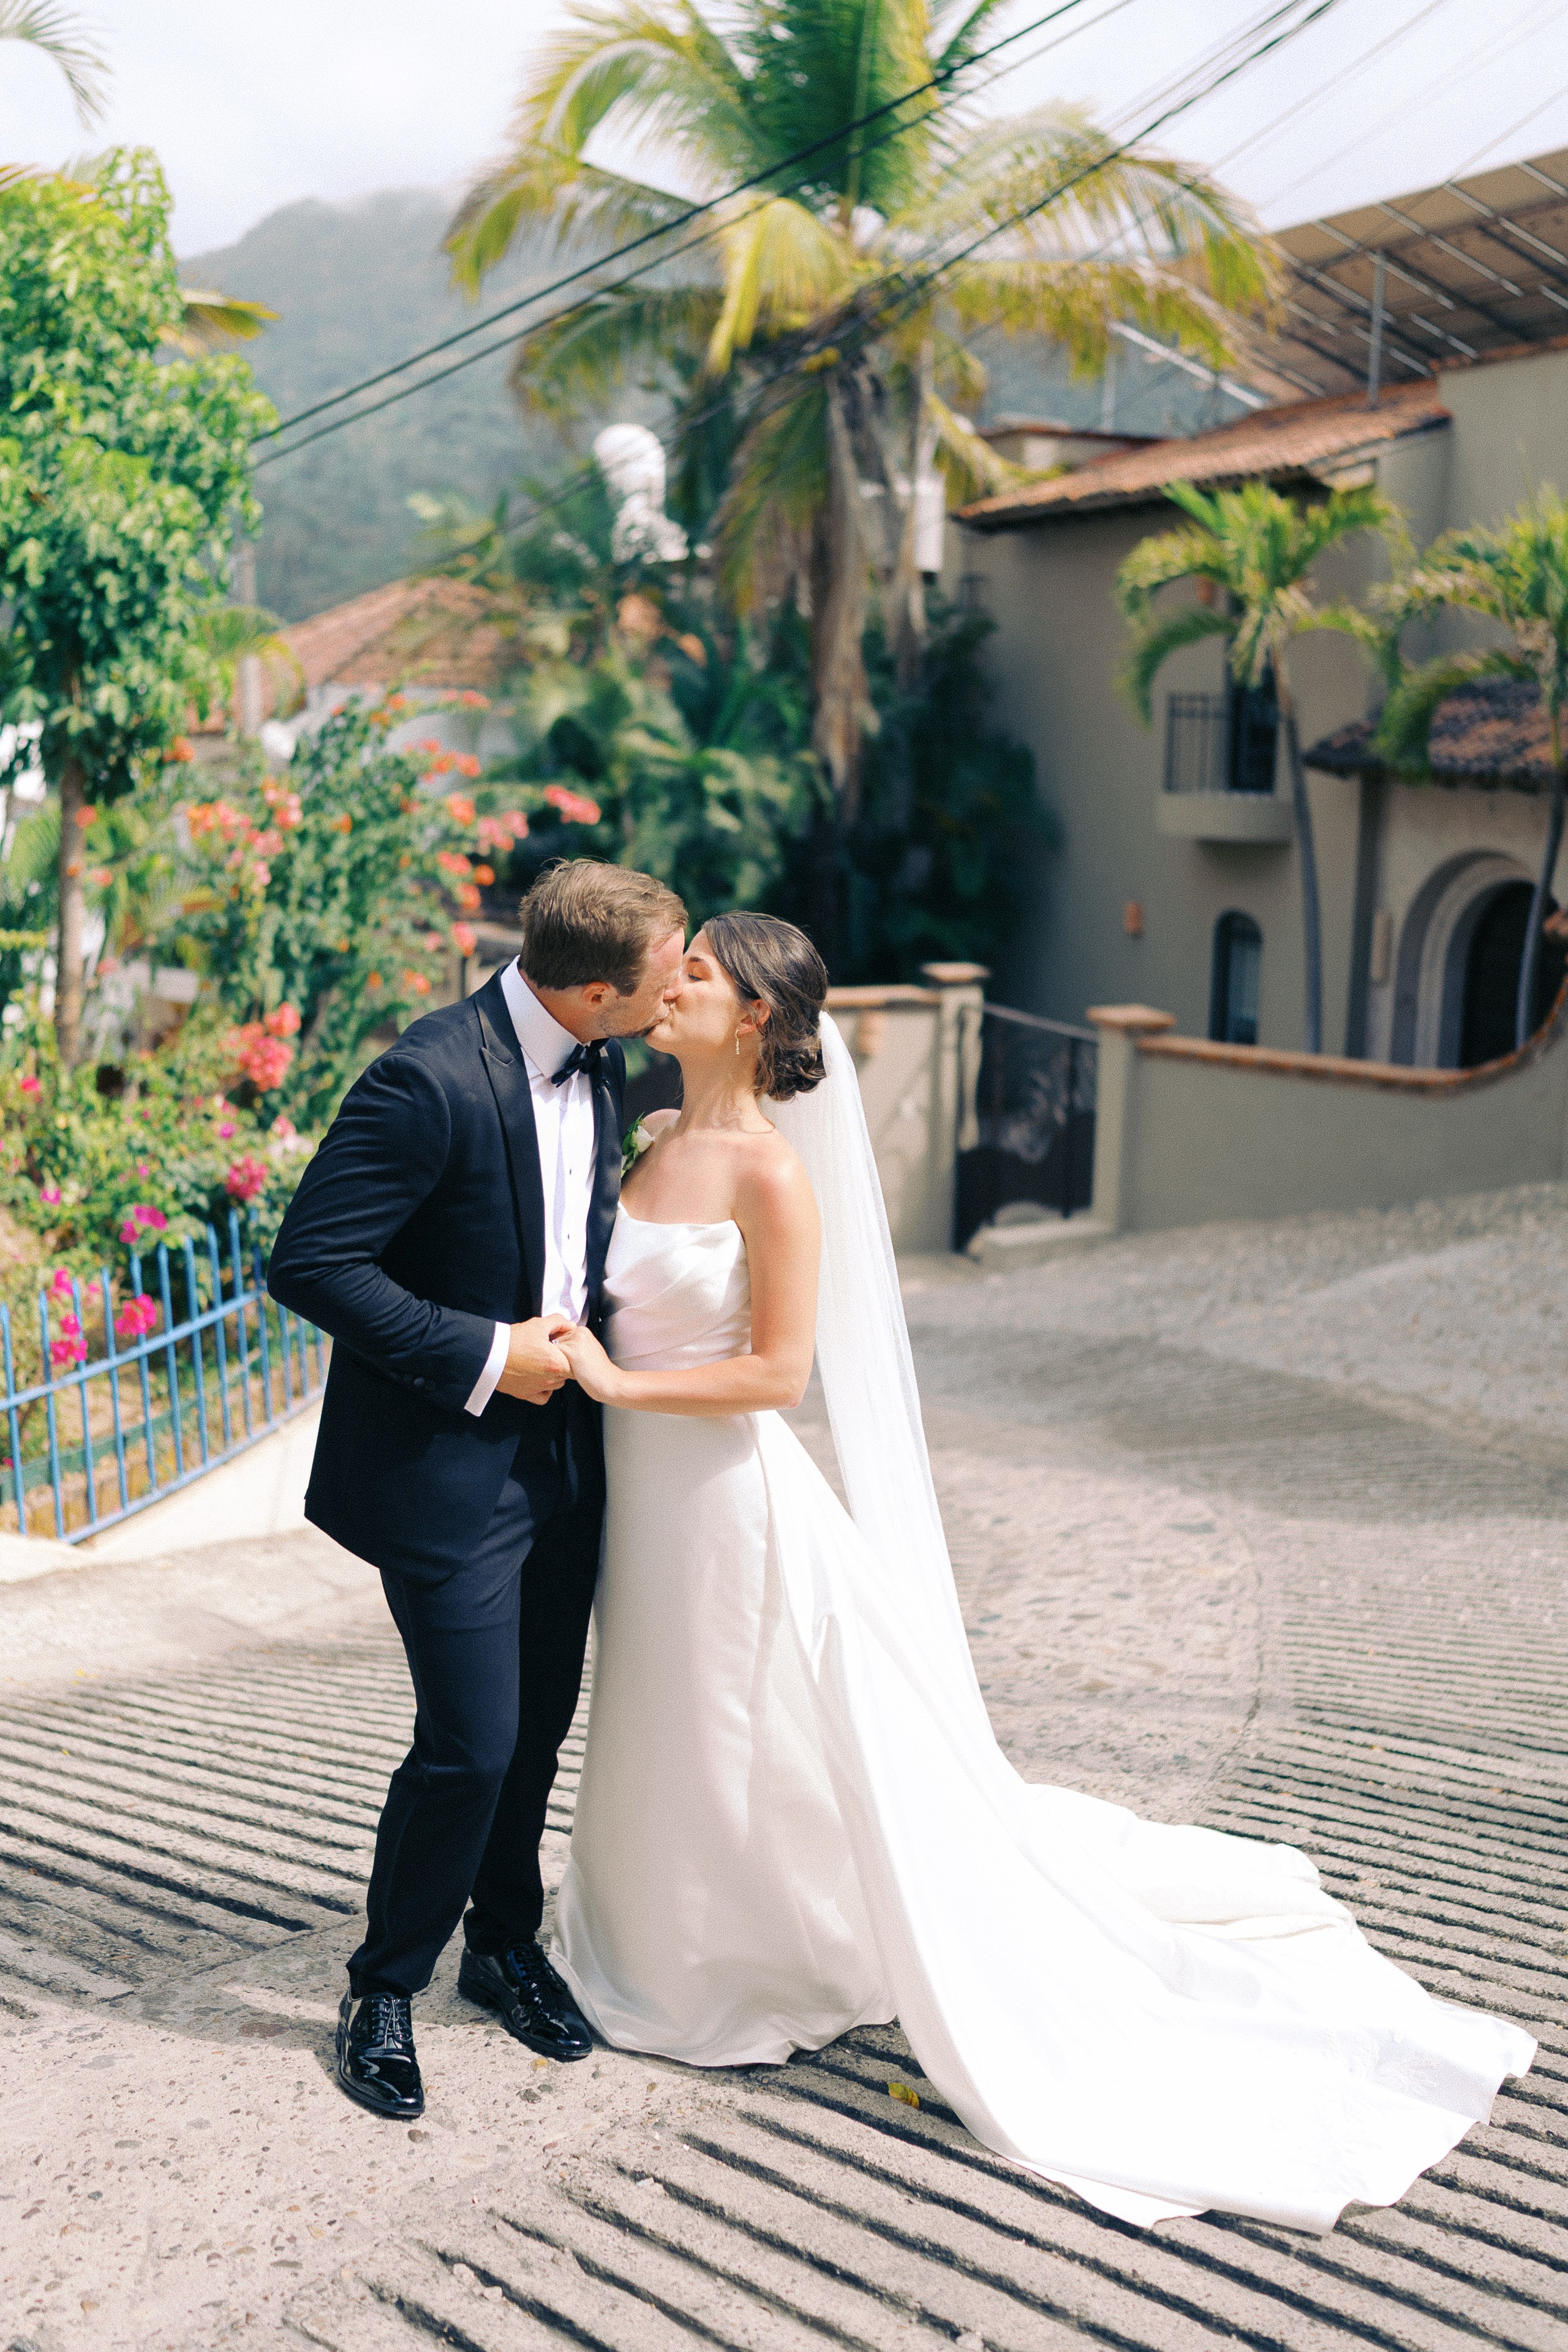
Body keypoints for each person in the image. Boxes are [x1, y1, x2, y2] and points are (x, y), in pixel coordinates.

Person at [549, 910, 1536, 2232]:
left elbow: (779, 1374)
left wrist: (618, 1381)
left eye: (695, 975)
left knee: (719, 1714)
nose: (664, 987)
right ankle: (671, 1928)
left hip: (722, 1493)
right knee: (667, 1713)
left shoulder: (770, 1174)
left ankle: (722, 1965)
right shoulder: (654, 1136)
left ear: (756, 1016)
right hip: (639, 1494)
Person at [266, 859, 685, 2120]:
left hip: (570, 1462)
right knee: (471, 1743)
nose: (676, 996)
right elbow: (311, 1263)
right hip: (448, 1470)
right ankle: (383, 1985)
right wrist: (488, 1354)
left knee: (540, 1725)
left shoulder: (605, 1062)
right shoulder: (427, 1077)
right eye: (665, 979)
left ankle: (501, 1946)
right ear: (598, 990)